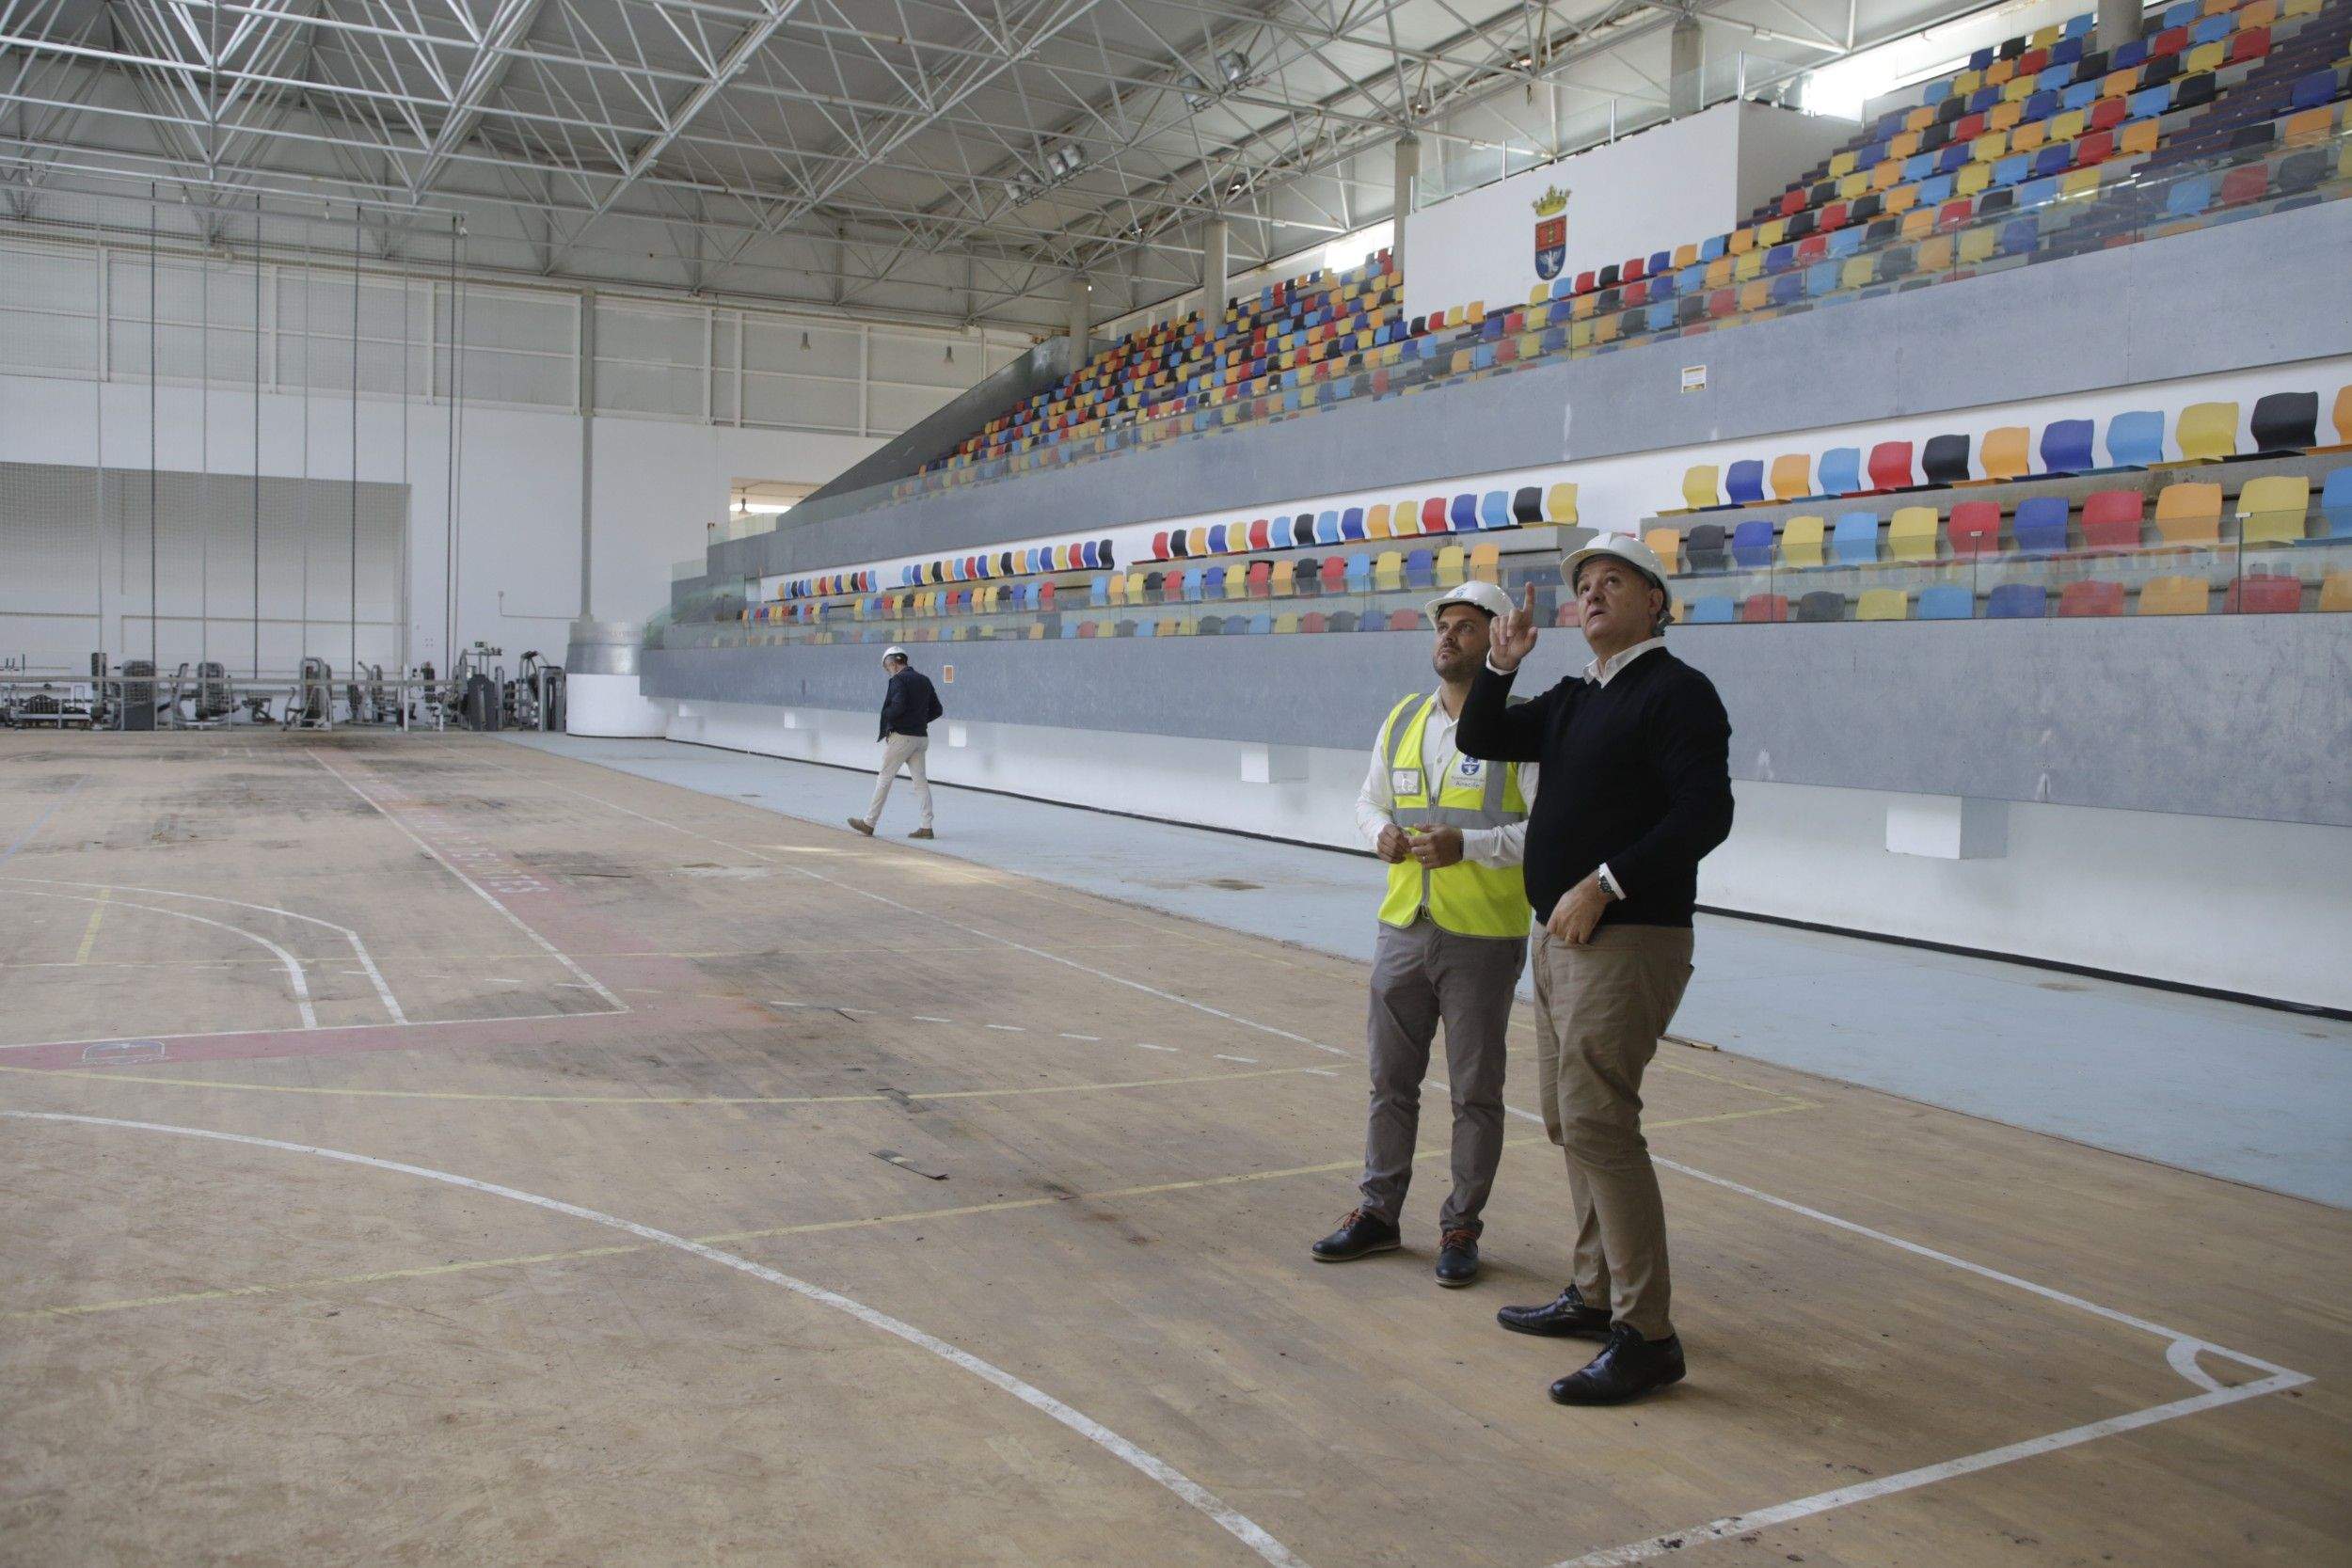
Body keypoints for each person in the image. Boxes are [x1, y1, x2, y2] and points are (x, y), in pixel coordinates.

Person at [1455, 533, 1734, 1406]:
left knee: (1598, 1119)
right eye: (1585, 583)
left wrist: (1605, 883)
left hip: (1628, 933)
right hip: (1559, 937)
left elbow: (1707, 813)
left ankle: (1647, 1334)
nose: (1594, 592)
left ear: (1657, 603)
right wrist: (1499, 667)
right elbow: (1484, 732)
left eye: (1615, 580)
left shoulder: (1679, 692)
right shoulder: (1579, 694)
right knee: (1568, 1119)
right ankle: (1595, 1290)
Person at [1312, 580, 1537, 1289]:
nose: (1448, 637)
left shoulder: (1525, 725)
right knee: (1390, 1081)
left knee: (1474, 1092)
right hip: (1404, 926)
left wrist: (1469, 848)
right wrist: (1378, 831)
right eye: (1444, 625)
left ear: (1498, 641)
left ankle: (1461, 1226)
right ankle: (1378, 1213)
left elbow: (1549, 831)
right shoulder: (1405, 718)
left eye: (1468, 627)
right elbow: (1367, 798)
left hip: (1481, 935)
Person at [848, 646, 943, 840]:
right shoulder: (924, 680)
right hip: (921, 738)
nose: (888, 671)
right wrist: (919, 721)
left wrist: (887, 717)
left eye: (887, 667)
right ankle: (926, 826)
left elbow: (898, 706)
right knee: (920, 783)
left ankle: (869, 823)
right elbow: (937, 709)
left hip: (901, 738)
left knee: (884, 779)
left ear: (892, 663)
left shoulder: (898, 680)